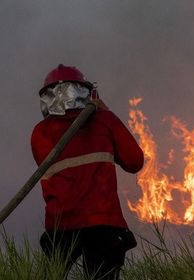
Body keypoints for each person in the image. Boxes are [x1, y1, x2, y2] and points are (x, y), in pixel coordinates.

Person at [31, 64, 144, 279]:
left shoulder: (40, 133)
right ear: (86, 92)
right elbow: (134, 162)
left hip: (60, 225)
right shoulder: (104, 121)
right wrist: (104, 111)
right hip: (102, 223)